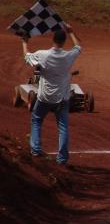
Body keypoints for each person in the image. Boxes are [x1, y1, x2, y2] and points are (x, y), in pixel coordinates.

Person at [22, 24, 81, 165]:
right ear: (64, 41)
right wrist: (71, 32)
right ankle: (62, 159)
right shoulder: (68, 56)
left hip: (44, 97)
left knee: (36, 120)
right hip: (62, 98)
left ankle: (35, 150)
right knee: (63, 127)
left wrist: (24, 42)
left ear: (53, 39)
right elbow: (78, 47)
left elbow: (26, 57)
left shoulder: (43, 55)